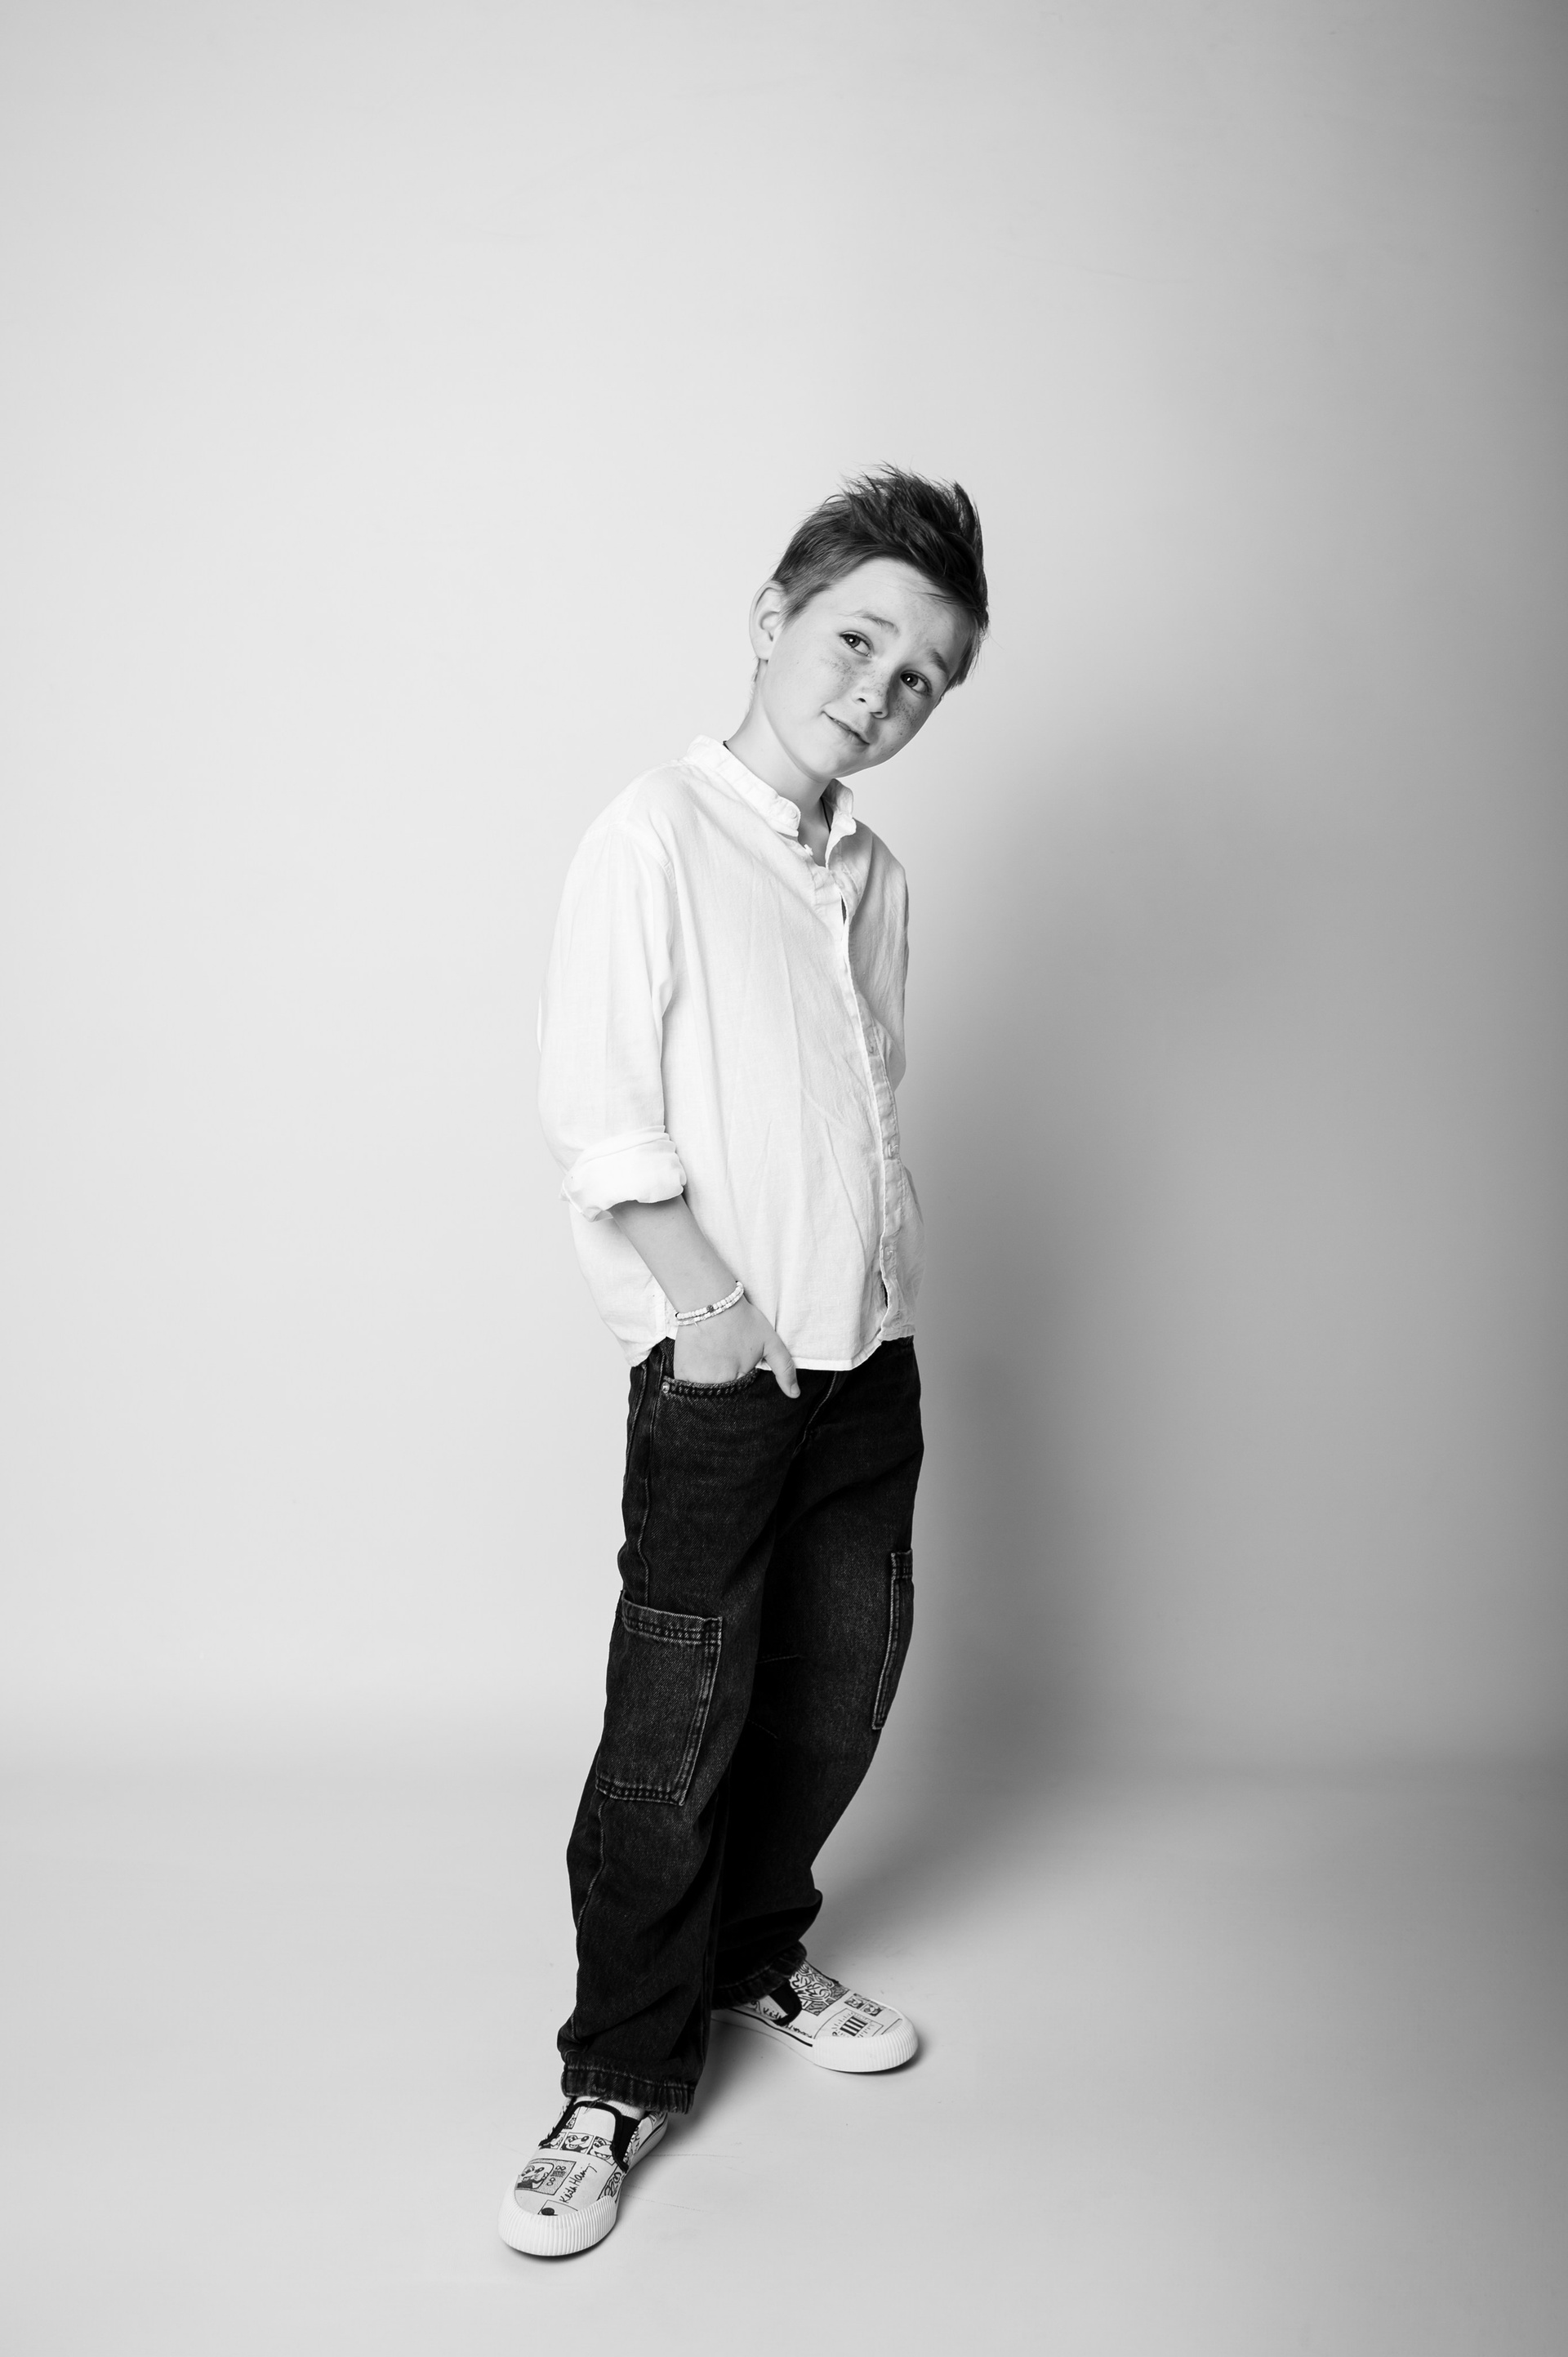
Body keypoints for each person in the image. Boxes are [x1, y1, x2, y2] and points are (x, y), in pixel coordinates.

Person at [499, 467, 989, 2258]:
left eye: (923, 677)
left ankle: (753, 1955)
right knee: (677, 1723)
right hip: (727, 1369)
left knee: (838, 1685)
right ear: (775, 616)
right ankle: (615, 2076)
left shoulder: (877, 876)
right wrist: (711, 1314)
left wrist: (877, 1285)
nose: (880, 689)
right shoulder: (654, 835)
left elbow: (858, 1101)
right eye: (858, 639)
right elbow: (601, 1115)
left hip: (870, 1356)